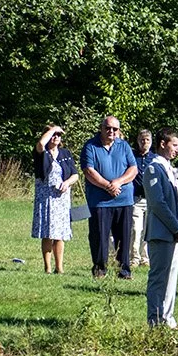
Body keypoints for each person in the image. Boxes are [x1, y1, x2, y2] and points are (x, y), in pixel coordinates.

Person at [80, 115, 138, 279]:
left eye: (115, 129)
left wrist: (118, 182)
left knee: (124, 237)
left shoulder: (124, 146)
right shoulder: (90, 146)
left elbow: (133, 169)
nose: (111, 131)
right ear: (101, 128)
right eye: (108, 128)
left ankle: (124, 271)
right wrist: (108, 186)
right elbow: (89, 172)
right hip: (100, 201)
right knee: (99, 238)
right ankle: (100, 270)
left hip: (124, 199)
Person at [141, 127, 178, 328]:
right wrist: (175, 226)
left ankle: (167, 317)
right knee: (159, 278)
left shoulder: (168, 168)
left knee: (171, 278)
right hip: (161, 232)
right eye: (174, 145)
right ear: (162, 144)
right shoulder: (153, 168)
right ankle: (155, 319)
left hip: (173, 233)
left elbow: (176, 201)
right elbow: (158, 203)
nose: (177, 150)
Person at [31, 125, 77, 273]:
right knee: (47, 233)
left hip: (62, 198)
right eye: (53, 134)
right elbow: (40, 144)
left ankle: (60, 267)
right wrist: (52, 129)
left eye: (58, 134)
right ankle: (48, 267)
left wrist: (67, 183)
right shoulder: (41, 152)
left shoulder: (65, 153)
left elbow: (75, 174)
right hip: (46, 197)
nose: (56, 137)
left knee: (60, 234)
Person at [130, 127, 153, 269]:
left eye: (147, 140)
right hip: (136, 199)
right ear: (138, 141)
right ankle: (134, 258)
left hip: (150, 200)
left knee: (148, 230)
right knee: (135, 229)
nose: (144, 142)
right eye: (142, 140)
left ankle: (146, 257)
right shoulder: (132, 157)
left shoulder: (155, 158)